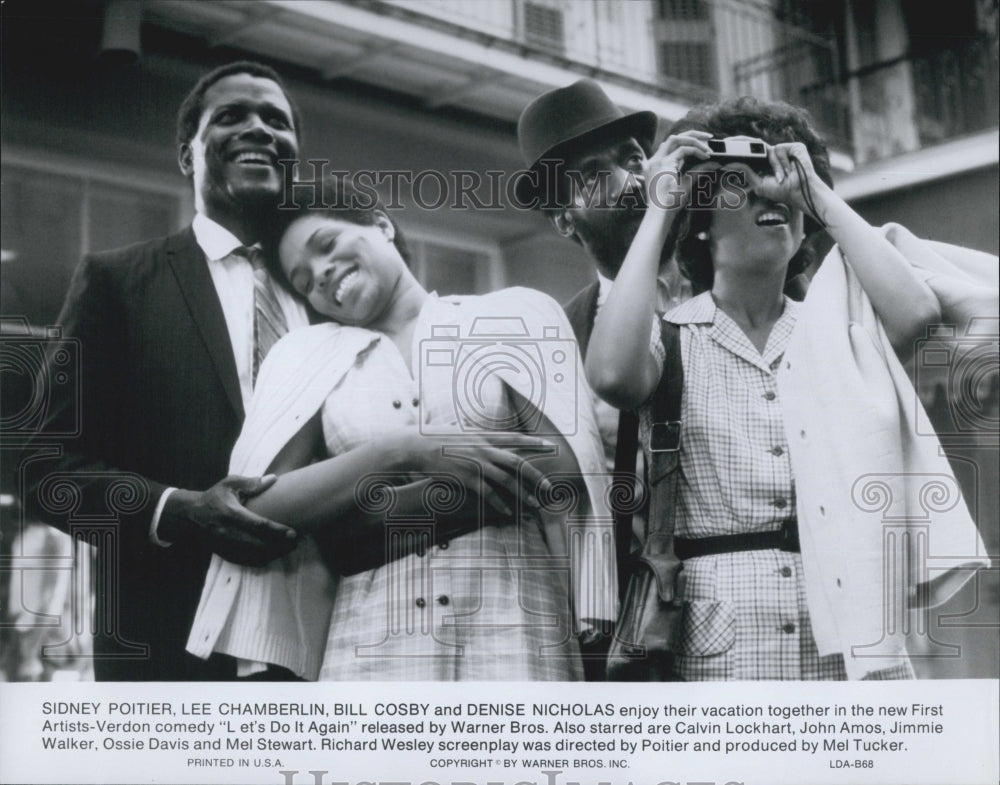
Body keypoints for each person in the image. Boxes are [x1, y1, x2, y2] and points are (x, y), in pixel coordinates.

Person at [586, 96, 989, 680]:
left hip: (850, 627)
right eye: (738, 186)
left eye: (774, 182)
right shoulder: (670, 339)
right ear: (697, 224)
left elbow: (918, 316)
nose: (765, 196)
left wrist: (817, 196)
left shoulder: (838, 327)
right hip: (719, 648)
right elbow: (613, 377)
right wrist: (659, 209)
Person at [186, 176, 616, 680]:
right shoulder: (304, 359)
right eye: (303, 281)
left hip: (515, 630)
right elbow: (260, 509)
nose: (322, 274)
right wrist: (404, 450)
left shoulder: (509, 315)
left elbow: (559, 473)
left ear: (382, 225)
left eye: (327, 246)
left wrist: (355, 526)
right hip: (370, 649)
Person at [23, 62, 311, 680]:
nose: (258, 129)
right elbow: (46, 466)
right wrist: (177, 511)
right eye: (231, 116)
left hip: (333, 650)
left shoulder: (334, 292)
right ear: (188, 156)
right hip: (170, 650)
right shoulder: (118, 282)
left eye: (276, 121)